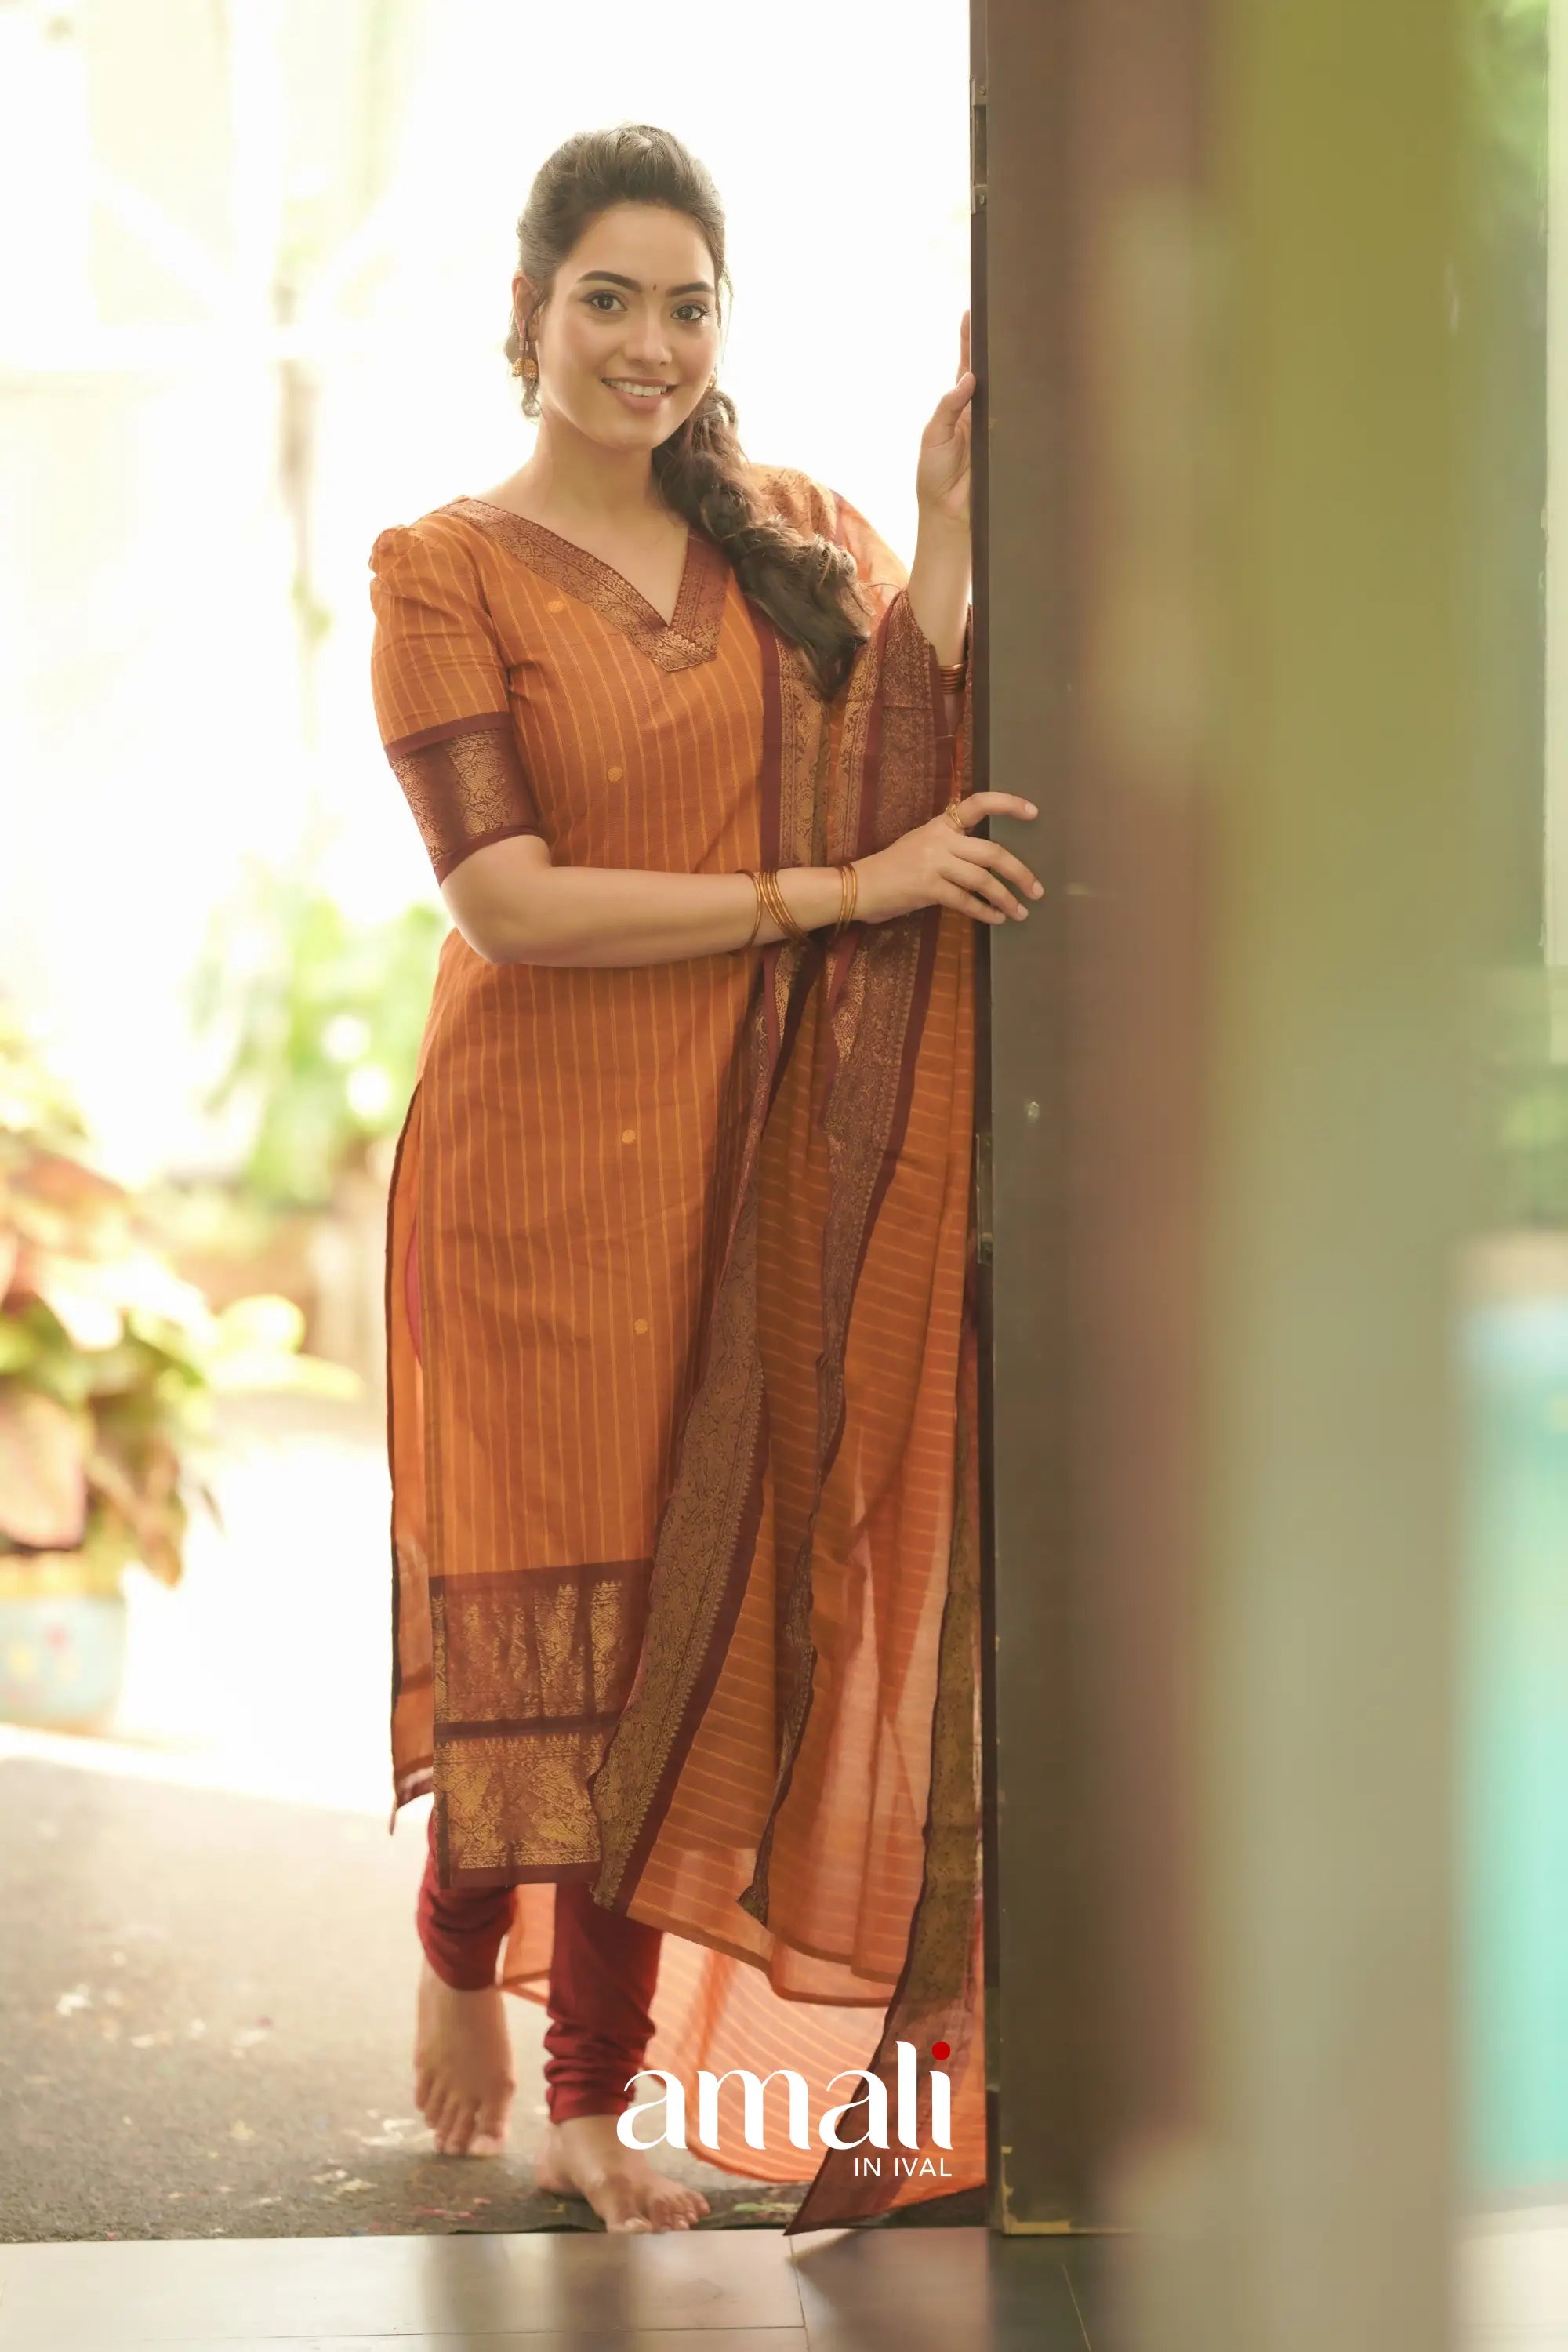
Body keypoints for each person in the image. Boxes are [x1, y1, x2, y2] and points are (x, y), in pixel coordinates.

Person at [368, 123, 1040, 2235]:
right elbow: (506, 903)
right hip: (532, 1177)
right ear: (528, 313)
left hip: (749, 1161)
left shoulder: (800, 535)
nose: (648, 345)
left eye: (686, 306)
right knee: (547, 1626)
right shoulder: (442, 570)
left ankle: (592, 2094)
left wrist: (945, 540)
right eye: (609, 300)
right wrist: (828, 894)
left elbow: (910, 748)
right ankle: (460, 1943)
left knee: (692, 1616)